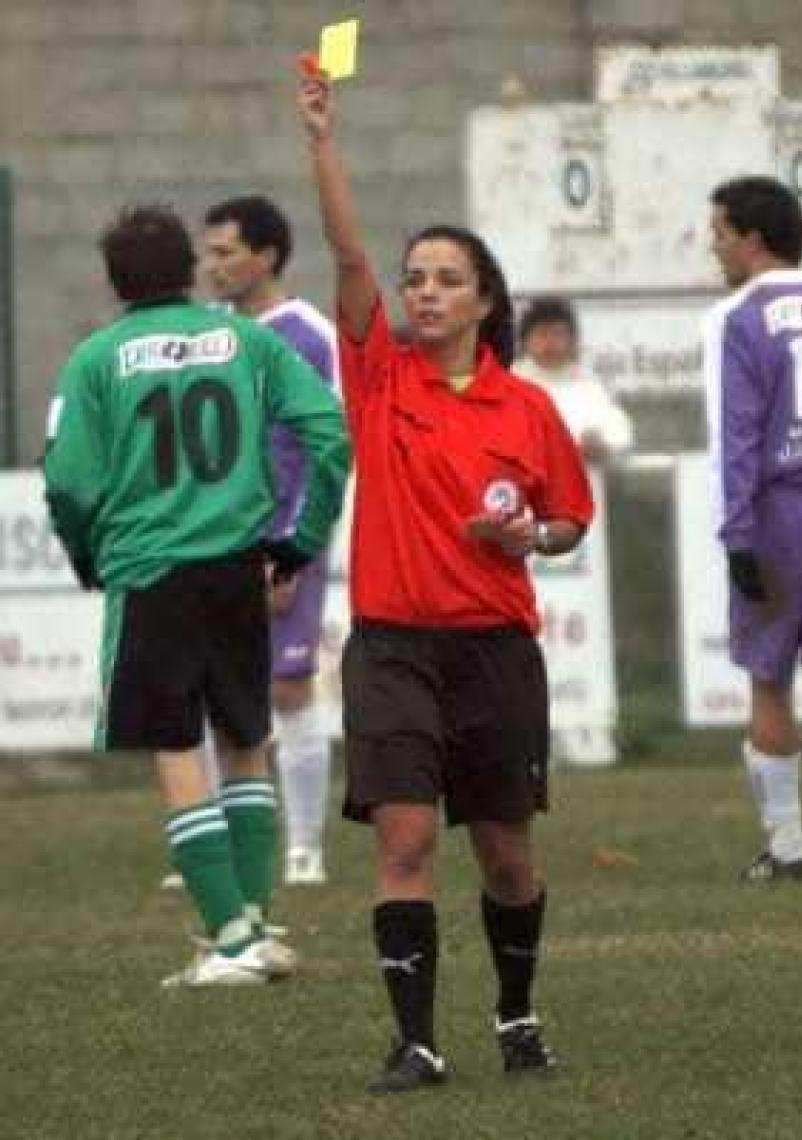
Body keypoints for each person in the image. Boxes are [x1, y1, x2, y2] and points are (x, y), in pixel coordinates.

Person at [295, 68, 594, 1093]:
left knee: (508, 859)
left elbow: (566, 522)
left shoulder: (527, 409)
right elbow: (345, 250)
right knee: (408, 836)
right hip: (390, 645)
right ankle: (415, 1042)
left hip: (495, 650)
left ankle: (517, 1016)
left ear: (486, 301)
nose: (422, 289)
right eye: (416, 275)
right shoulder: (380, 372)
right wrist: (323, 138)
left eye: (445, 278)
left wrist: (529, 540)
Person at [42, 204, 350, 985]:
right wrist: (302, 538)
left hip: (153, 570)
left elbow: (71, 482)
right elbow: (330, 437)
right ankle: (252, 924)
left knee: (177, 744)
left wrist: (85, 549)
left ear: (114, 281)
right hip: (238, 566)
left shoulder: (97, 359)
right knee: (246, 738)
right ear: (188, 269)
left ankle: (235, 943)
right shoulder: (249, 342)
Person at [705, 175, 802, 882]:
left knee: (767, 678)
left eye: (720, 234)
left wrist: (735, 535)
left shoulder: (739, 316)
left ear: (752, 240)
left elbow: (733, 433)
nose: (714, 248)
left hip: (778, 510)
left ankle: (787, 845)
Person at [201, 193, 339, 885]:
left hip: (285, 544)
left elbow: (322, 448)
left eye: (225, 252)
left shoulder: (308, 335)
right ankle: (225, 839)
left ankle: (304, 844)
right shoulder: (206, 332)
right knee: (215, 691)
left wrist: (290, 549)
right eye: (210, 251)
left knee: (288, 688)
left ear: (267, 256)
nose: (212, 265)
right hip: (211, 543)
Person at [513, 296, 634, 464]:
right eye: (542, 334)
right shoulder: (508, 384)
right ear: (525, 342)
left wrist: (600, 444)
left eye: (558, 334)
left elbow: (620, 435)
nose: (550, 343)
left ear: (572, 341)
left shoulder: (590, 387)